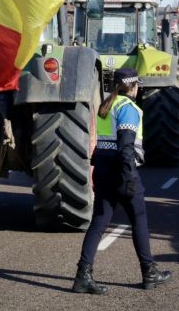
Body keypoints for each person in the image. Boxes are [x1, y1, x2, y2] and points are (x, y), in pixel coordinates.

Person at [72, 69, 171, 294]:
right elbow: (126, 147)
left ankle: (82, 276)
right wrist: (129, 179)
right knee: (139, 219)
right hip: (121, 171)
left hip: (104, 168)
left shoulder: (107, 106)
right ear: (133, 86)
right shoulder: (128, 108)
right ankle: (149, 273)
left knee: (99, 222)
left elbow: (103, 142)